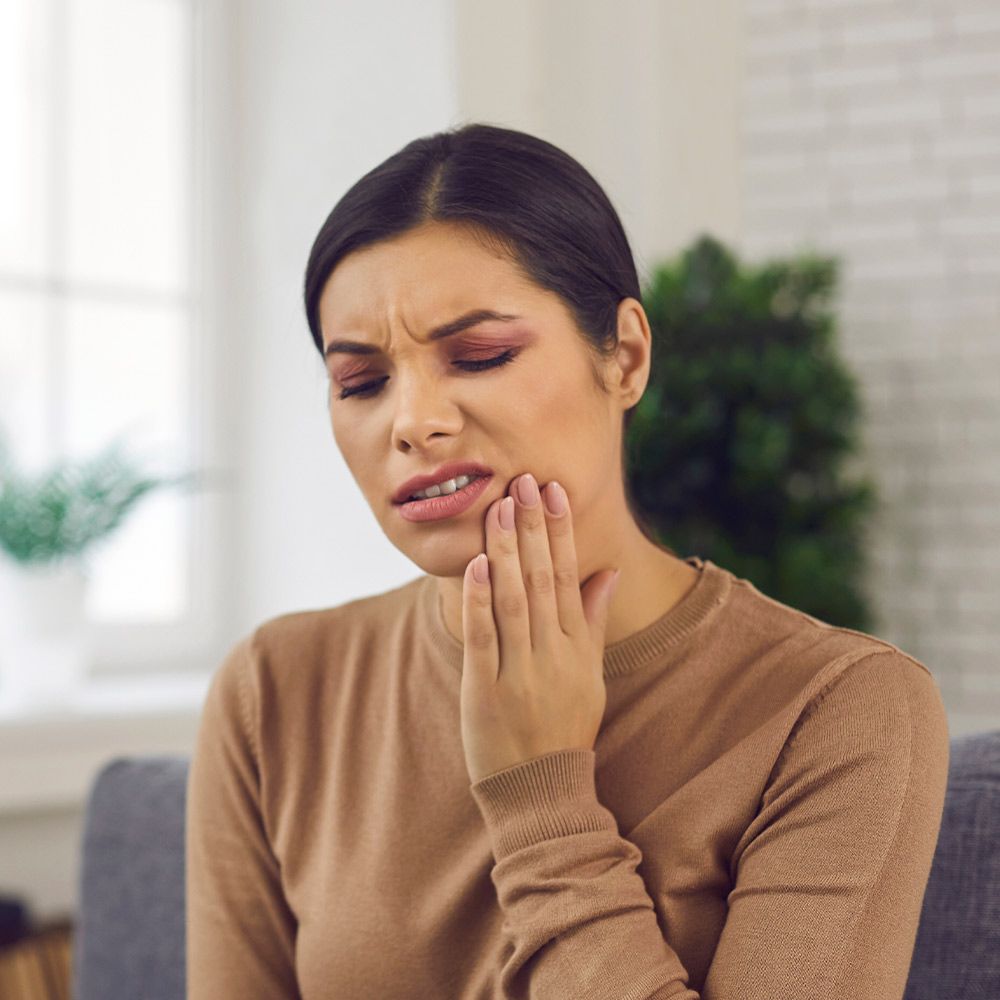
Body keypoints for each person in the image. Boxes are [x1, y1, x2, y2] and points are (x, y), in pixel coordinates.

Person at [186, 122, 950, 999]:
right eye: (361, 382)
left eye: (480, 356)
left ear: (624, 356)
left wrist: (541, 800)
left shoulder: (839, 709)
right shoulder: (274, 692)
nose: (412, 422)